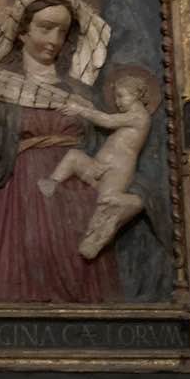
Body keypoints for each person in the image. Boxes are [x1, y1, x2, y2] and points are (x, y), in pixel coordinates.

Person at [0, 0, 123, 303]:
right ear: (21, 30)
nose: (54, 40)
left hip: (80, 206)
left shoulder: (80, 93)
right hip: (22, 206)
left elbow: (110, 153)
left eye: (62, 31)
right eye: (45, 28)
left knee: (88, 297)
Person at [38, 74, 154, 260]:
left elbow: (107, 121)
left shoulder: (140, 117)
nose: (117, 102)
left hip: (117, 171)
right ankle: (52, 182)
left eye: (121, 96)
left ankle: (96, 239)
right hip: (97, 166)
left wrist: (80, 110)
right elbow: (105, 118)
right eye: (115, 97)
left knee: (105, 204)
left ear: (136, 94)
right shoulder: (126, 116)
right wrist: (85, 106)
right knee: (74, 157)